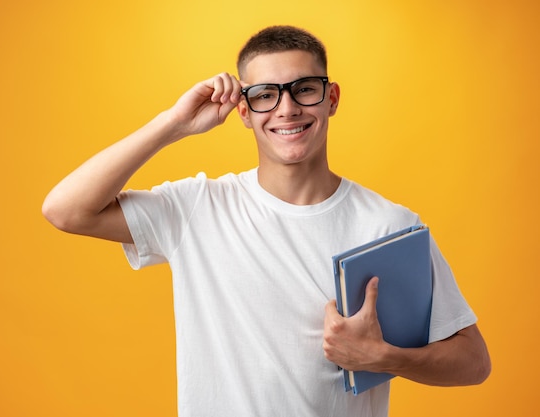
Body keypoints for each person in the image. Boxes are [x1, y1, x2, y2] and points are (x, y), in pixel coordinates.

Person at [42, 25, 490, 417]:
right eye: (265, 95)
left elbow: (473, 362)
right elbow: (66, 210)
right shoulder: (197, 208)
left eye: (305, 89)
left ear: (331, 98)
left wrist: (384, 356)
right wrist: (173, 124)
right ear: (243, 111)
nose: (287, 108)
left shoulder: (390, 225)